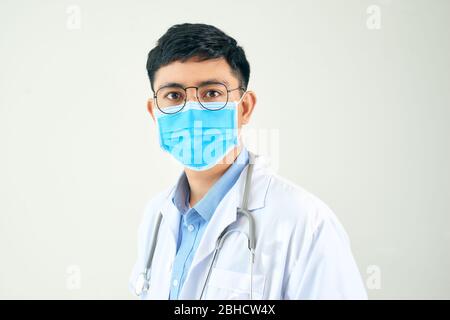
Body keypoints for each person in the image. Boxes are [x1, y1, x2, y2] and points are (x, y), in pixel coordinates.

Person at [129, 23, 367, 300]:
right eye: (174, 96)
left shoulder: (305, 222)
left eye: (211, 93)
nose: (192, 111)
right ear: (154, 112)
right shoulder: (156, 216)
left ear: (244, 107)